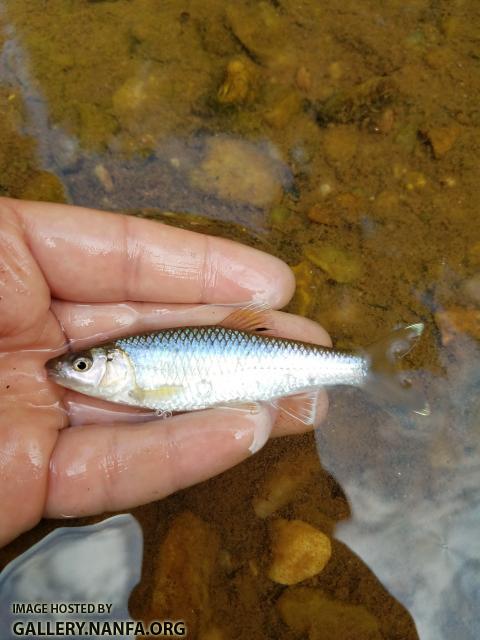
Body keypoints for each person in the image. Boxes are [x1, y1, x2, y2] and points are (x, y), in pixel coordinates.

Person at [0, 197, 330, 547]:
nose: (73, 370)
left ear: (114, 362)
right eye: (81, 364)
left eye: (81, 365)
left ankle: (362, 370)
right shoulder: (125, 359)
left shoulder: (130, 363)